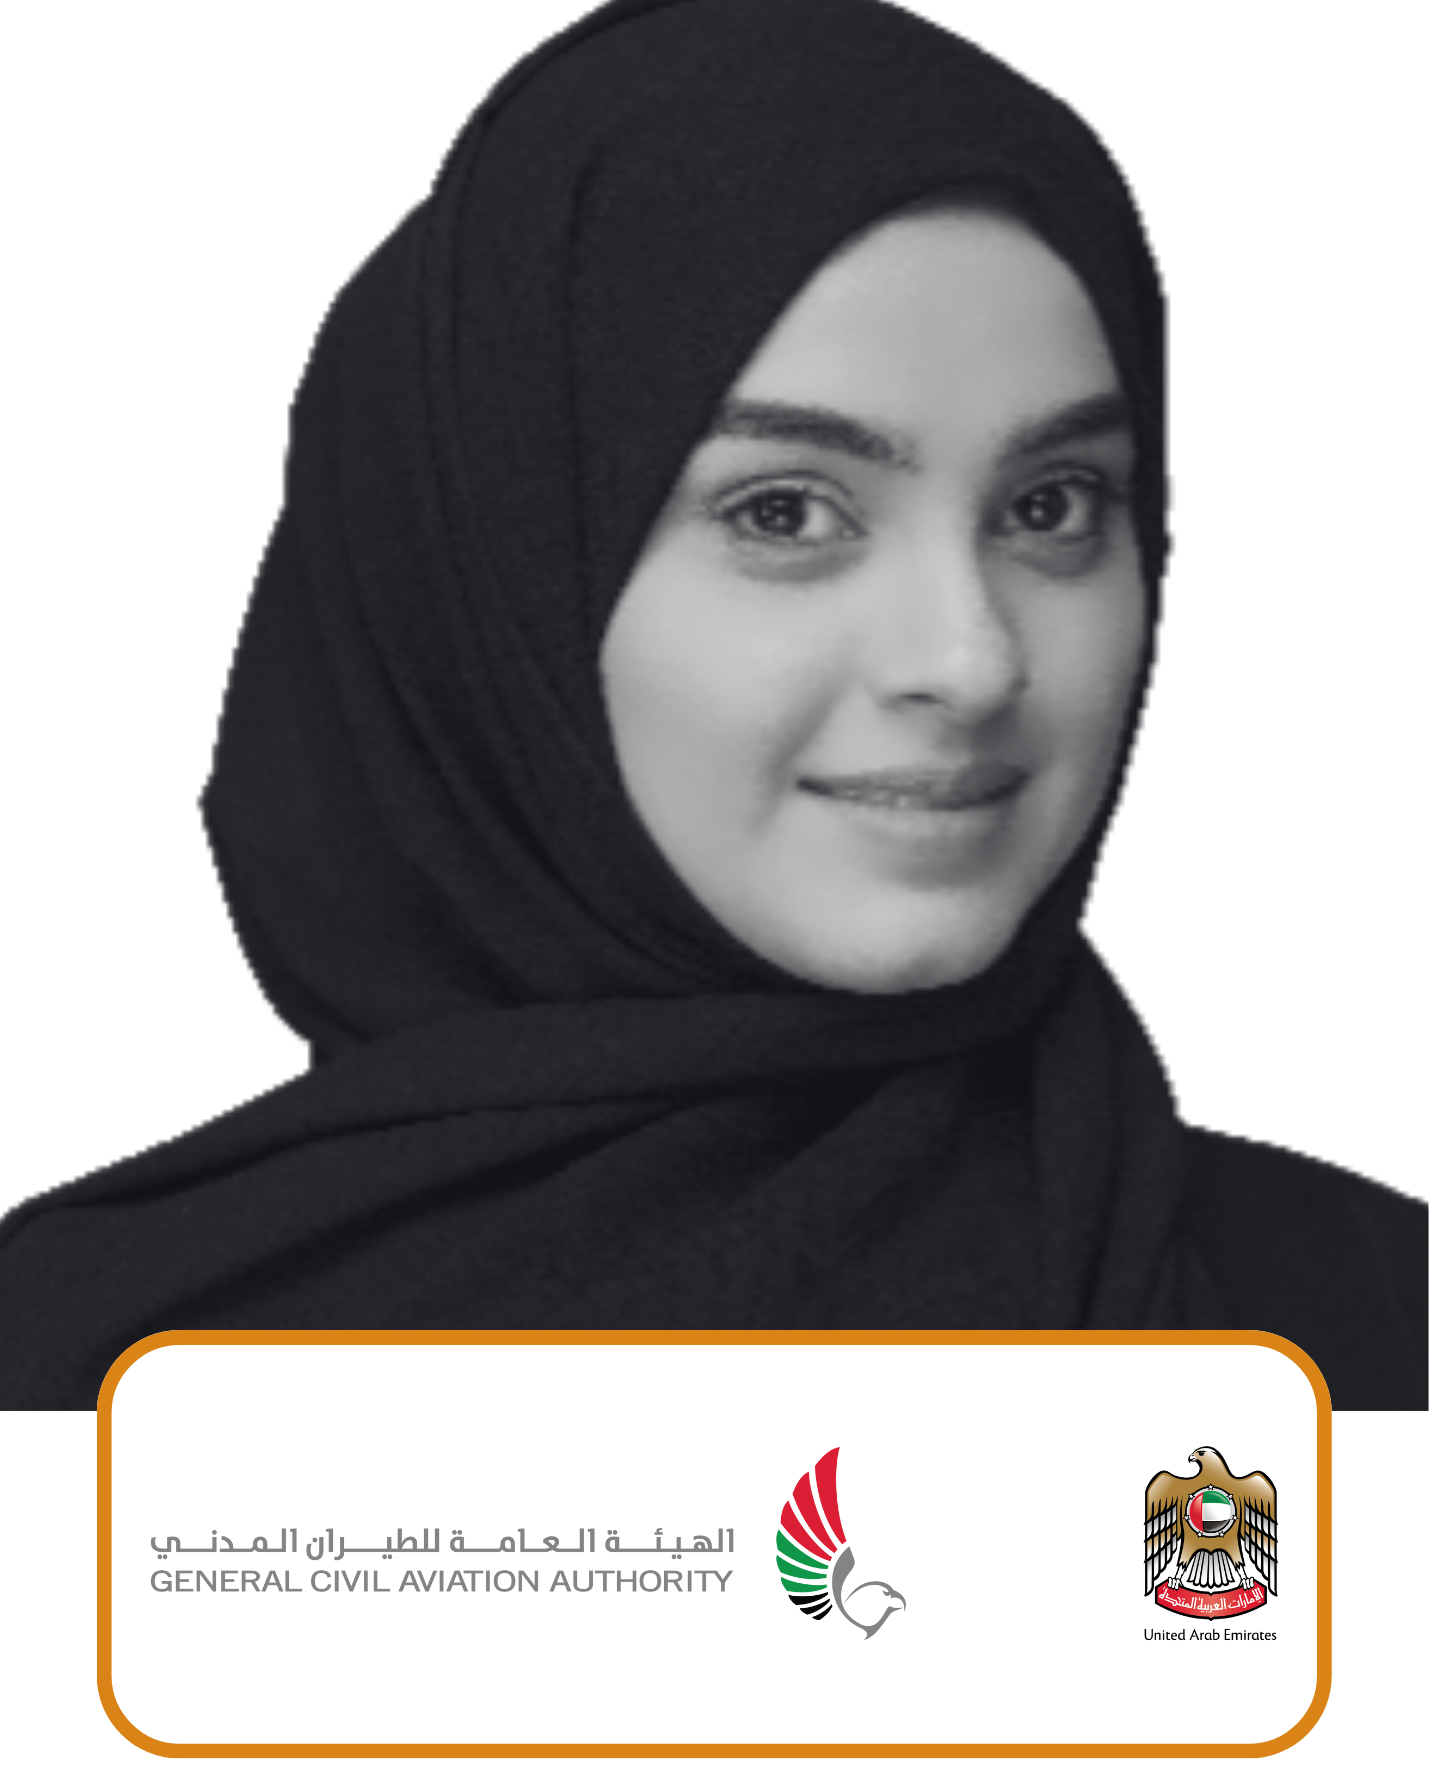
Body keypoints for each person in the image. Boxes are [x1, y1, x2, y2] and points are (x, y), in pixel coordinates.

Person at [2, 0, 1421, 1769]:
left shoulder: (1361, 1328)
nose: (971, 658)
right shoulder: (93, 1406)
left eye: (1054, 506)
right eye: (784, 513)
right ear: (496, 589)